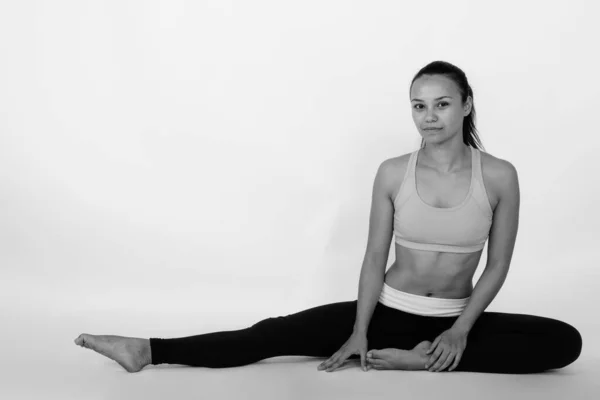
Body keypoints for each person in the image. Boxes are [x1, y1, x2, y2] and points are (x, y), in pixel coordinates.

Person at [74, 60, 582, 374]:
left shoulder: (499, 176)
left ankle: (421, 361)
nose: (429, 116)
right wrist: (360, 330)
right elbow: (373, 258)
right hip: (386, 313)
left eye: (443, 104)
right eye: (418, 106)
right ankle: (146, 349)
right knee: (271, 334)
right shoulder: (391, 173)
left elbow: (496, 266)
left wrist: (459, 332)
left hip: (453, 318)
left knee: (564, 342)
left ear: (467, 106)